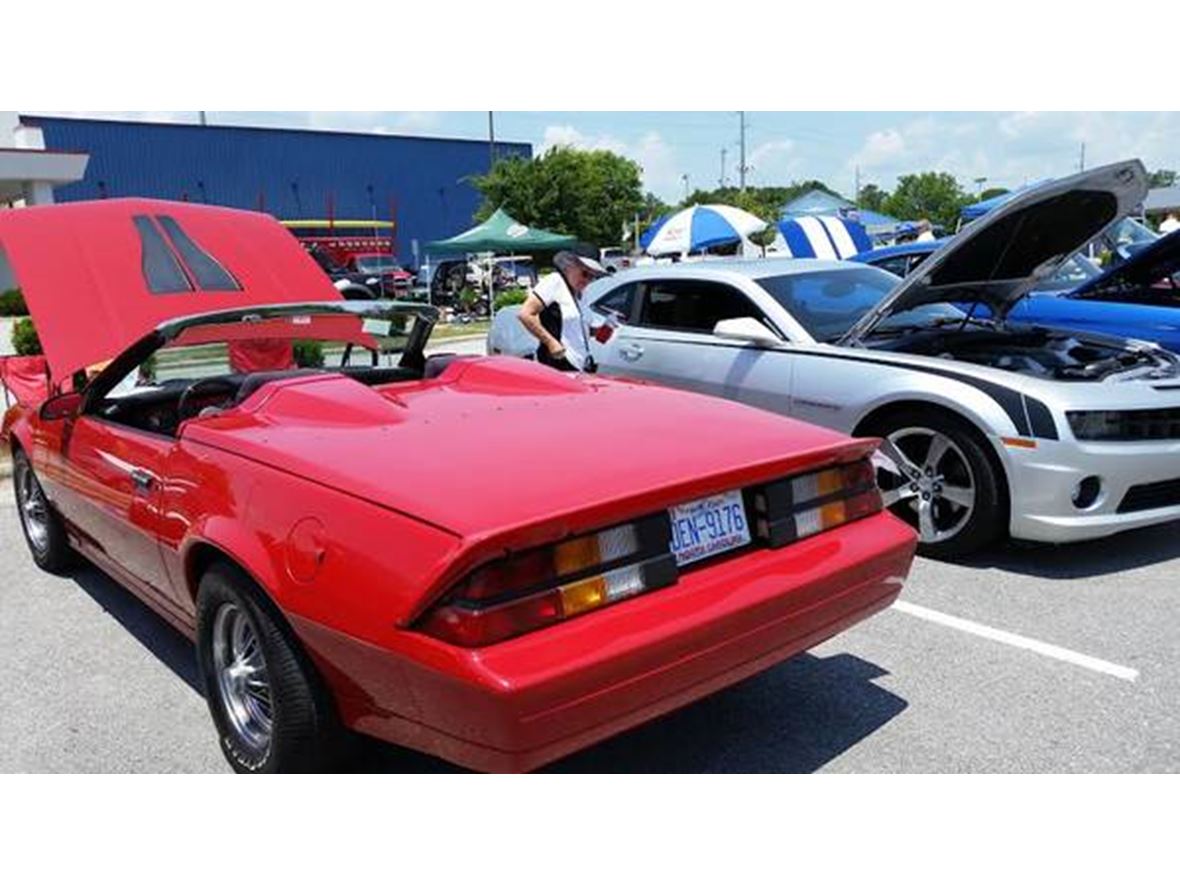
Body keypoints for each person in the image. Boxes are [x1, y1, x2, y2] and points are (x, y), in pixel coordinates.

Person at [518, 251, 607, 371]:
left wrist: (601, 330)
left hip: (580, 363)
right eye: (585, 274)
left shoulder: (581, 293)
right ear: (570, 266)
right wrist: (551, 343)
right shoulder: (555, 281)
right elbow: (525, 314)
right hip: (558, 362)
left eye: (593, 277)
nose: (587, 281)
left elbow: (578, 328)